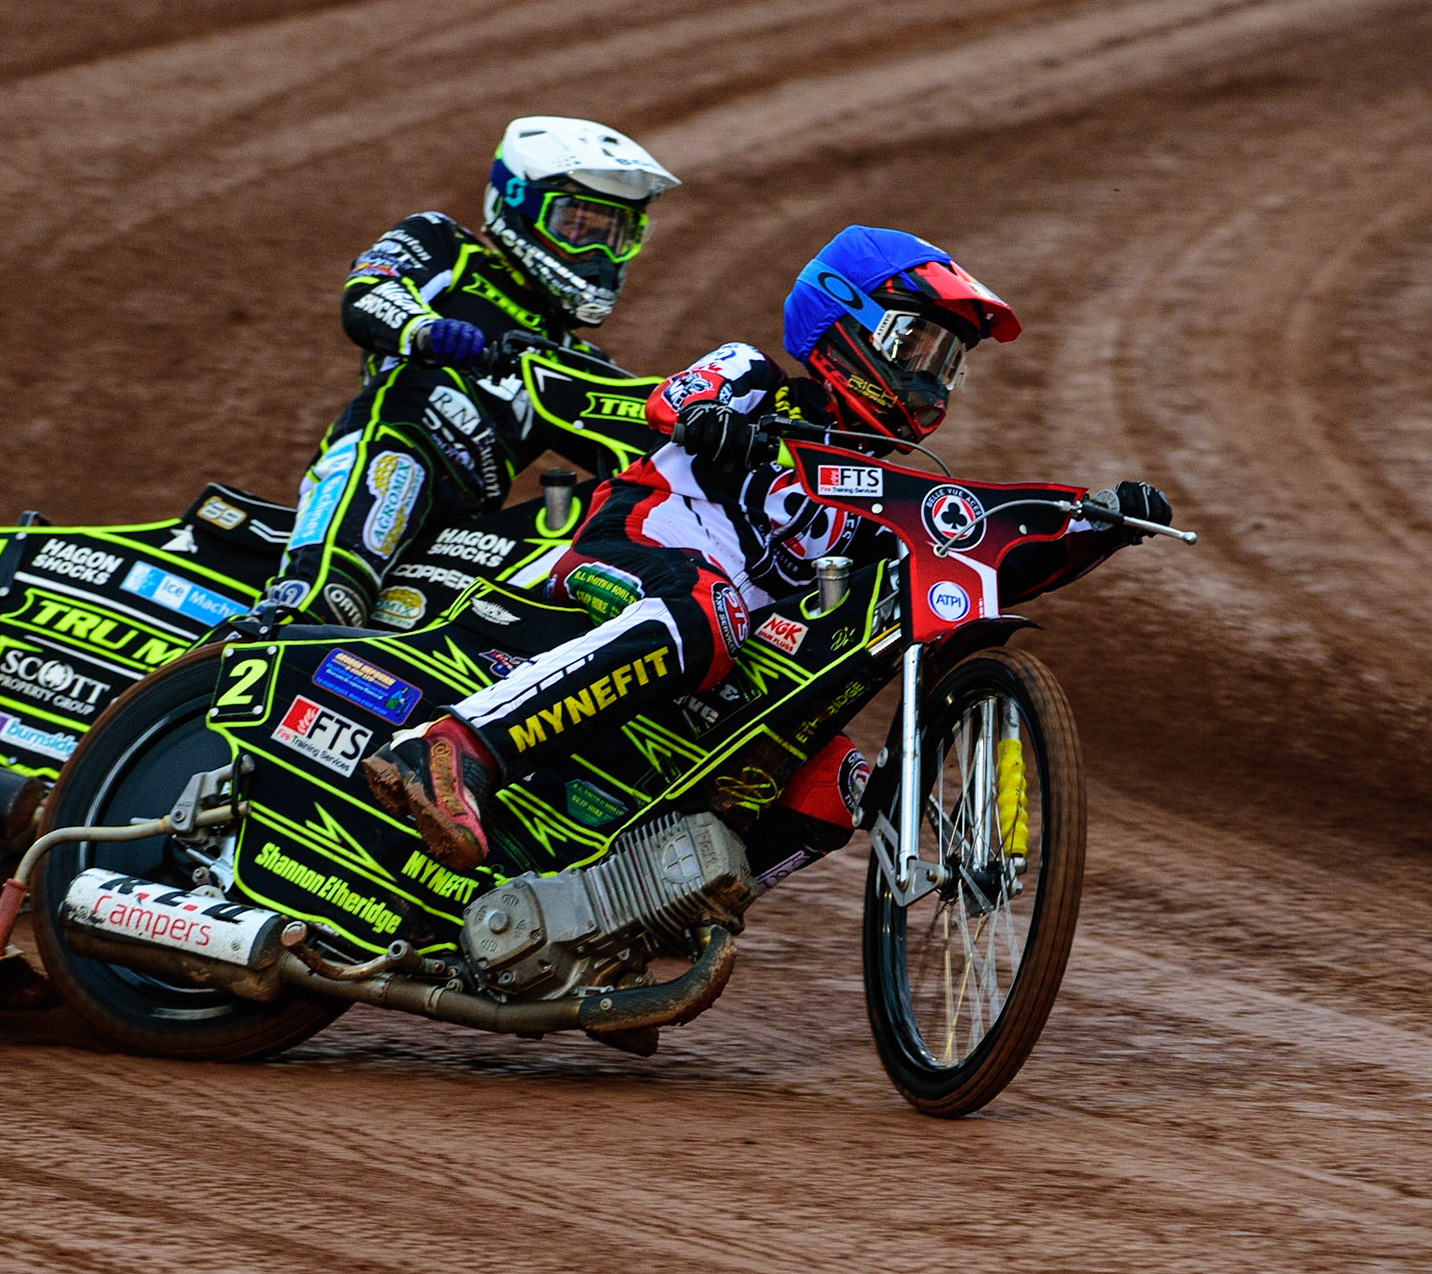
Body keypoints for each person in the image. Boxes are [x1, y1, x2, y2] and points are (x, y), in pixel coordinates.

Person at [363, 224, 1174, 874]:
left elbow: (983, 551)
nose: (930, 378)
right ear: (841, 320)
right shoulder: (754, 377)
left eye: (946, 362)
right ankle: (453, 746)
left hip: (723, 651)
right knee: (708, 613)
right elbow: (675, 400)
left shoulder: (886, 496)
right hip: (628, 549)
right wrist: (718, 423)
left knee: (835, 783)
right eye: (915, 344)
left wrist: (1097, 524)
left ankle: (657, 920)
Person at [263, 116, 680, 626]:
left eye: (614, 236)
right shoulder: (445, 246)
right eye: (577, 226)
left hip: (466, 533)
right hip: (391, 452)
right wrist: (426, 331)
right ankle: (282, 620)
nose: (597, 255)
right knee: (327, 603)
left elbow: (659, 444)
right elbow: (370, 290)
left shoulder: (577, 366)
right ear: (518, 204)